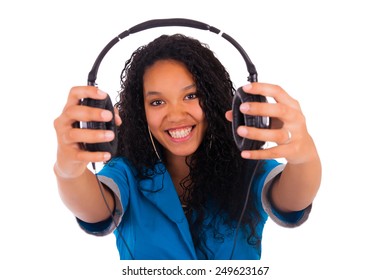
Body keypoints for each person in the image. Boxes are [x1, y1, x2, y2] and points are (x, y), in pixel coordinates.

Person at [53, 34, 321, 260]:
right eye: (157, 102)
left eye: (191, 96)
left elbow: (292, 200)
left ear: (214, 99)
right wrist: (68, 171)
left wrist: (304, 156)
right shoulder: (125, 173)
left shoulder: (248, 165)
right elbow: (93, 208)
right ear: (140, 112)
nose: (176, 115)